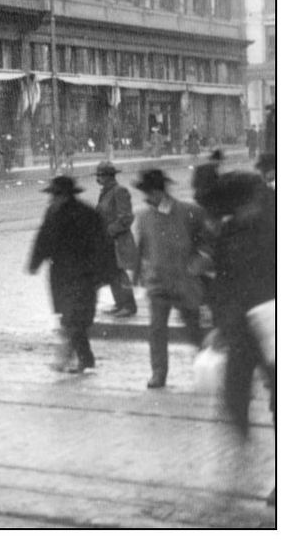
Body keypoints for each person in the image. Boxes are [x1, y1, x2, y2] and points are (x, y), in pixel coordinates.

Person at [201, 170, 275, 507]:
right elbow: (224, 284)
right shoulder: (230, 231)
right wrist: (221, 326)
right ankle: (242, 434)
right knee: (234, 391)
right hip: (245, 327)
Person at [27, 175, 117, 374]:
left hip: (82, 274)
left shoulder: (84, 214)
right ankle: (78, 358)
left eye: (55, 195)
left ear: (65, 195)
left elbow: (102, 243)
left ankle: (82, 359)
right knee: (71, 319)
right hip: (64, 275)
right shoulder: (56, 212)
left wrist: (104, 273)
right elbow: (43, 239)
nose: (52, 199)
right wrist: (34, 263)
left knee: (74, 319)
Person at [131, 168, 207, 389]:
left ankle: (206, 365)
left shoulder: (189, 212)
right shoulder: (144, 216)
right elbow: (142, 246)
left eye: (149, 193)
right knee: (156, 330)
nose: (146, 198)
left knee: (193, 328)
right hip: (158, 283)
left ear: (159, 192)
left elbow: (207, 240)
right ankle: (158, 373)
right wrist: (136, 275)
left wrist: (201, 261)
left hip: (185, 282)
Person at [93, 162, 139, 318]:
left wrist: (109, 231)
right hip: (108, 242)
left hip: (117, 241)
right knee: (112, 273)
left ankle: (129, 305)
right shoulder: (106, 192)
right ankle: (120, 304)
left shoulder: (119, 191)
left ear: (108, 176)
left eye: (100, 175)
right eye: (97, 175)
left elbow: (126, 217)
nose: (98, 178)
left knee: (119, 274)